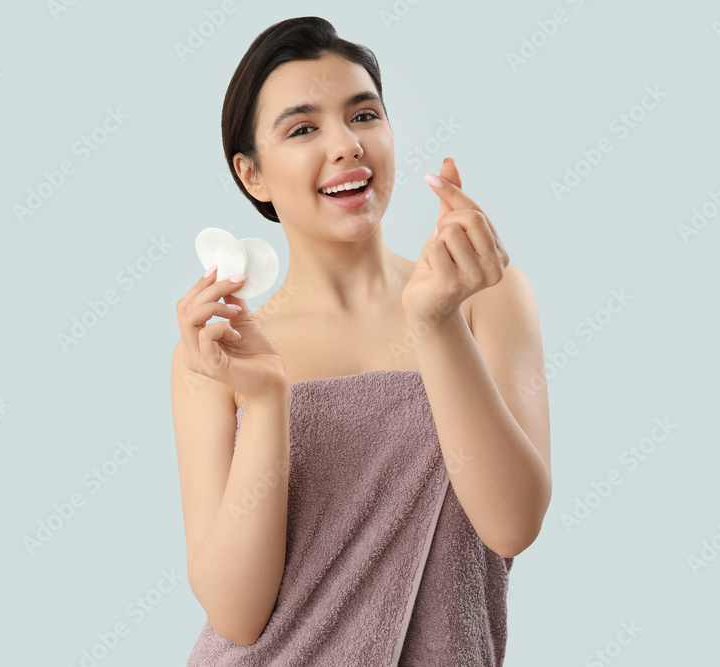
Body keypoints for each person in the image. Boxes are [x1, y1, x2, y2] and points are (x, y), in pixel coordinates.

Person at [172, 16, 552, 665]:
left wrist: (435, 324)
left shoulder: (486, 293)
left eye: (364, 115)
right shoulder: (220, 349)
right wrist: (265, 401)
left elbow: (512, 522)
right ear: (252, 175)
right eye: (302, 128)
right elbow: (236, 613)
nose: (346, 144)